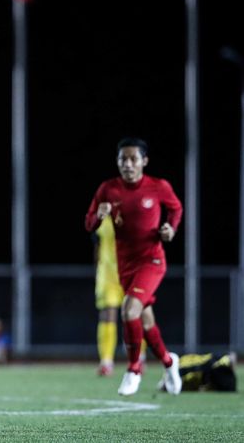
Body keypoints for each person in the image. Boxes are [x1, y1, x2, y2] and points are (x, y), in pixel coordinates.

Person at [85, 137, 183, 396]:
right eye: (123, 159)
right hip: (124, 265)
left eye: (133, 159)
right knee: (145, 319)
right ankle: (170, 363)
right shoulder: (108, 189)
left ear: (144, 161)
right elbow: (88, 223)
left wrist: (170, 229)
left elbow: (175, 208)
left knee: (129, 310)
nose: (128, 164)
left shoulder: (158, 186)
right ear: (117, 162)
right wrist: (98, 216)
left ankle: (133, 369)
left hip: (152, 261)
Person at [93, 217, 146, 377]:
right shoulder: (103, 219)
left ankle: (138, 359)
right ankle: (106, 362)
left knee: (134, 314)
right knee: (108, 314)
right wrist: (97, 269)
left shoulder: (133, 215)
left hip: (131, 272)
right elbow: (97, 245)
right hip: (108, 275)